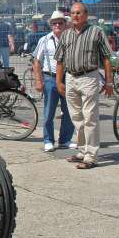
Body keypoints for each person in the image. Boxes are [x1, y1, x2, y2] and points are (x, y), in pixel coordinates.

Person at [55, 2, 114, 169]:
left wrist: (109, 81)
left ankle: (91, 156)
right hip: (71, 78)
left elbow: (107, 57)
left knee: (90, 118)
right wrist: (59, 81)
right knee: (77, 118)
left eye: (78, 13)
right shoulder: (66, 35)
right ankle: (82, 150)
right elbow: (60, 60)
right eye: (73, 13)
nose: (75, 16)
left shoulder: (96, 32)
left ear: (86, 15)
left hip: (89, 77)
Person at [33, 11, 76, 152]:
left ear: (65, 24)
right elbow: (37, 62)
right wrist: (38, 81)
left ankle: (65, 140)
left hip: (67, 78)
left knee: (69, 111)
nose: (57, 25)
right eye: (54, 23)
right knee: (49, 111)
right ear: (51, 25)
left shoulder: (71, 39)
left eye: (60, 22)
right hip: (50, 78)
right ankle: (48, 140)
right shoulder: (44, 40)